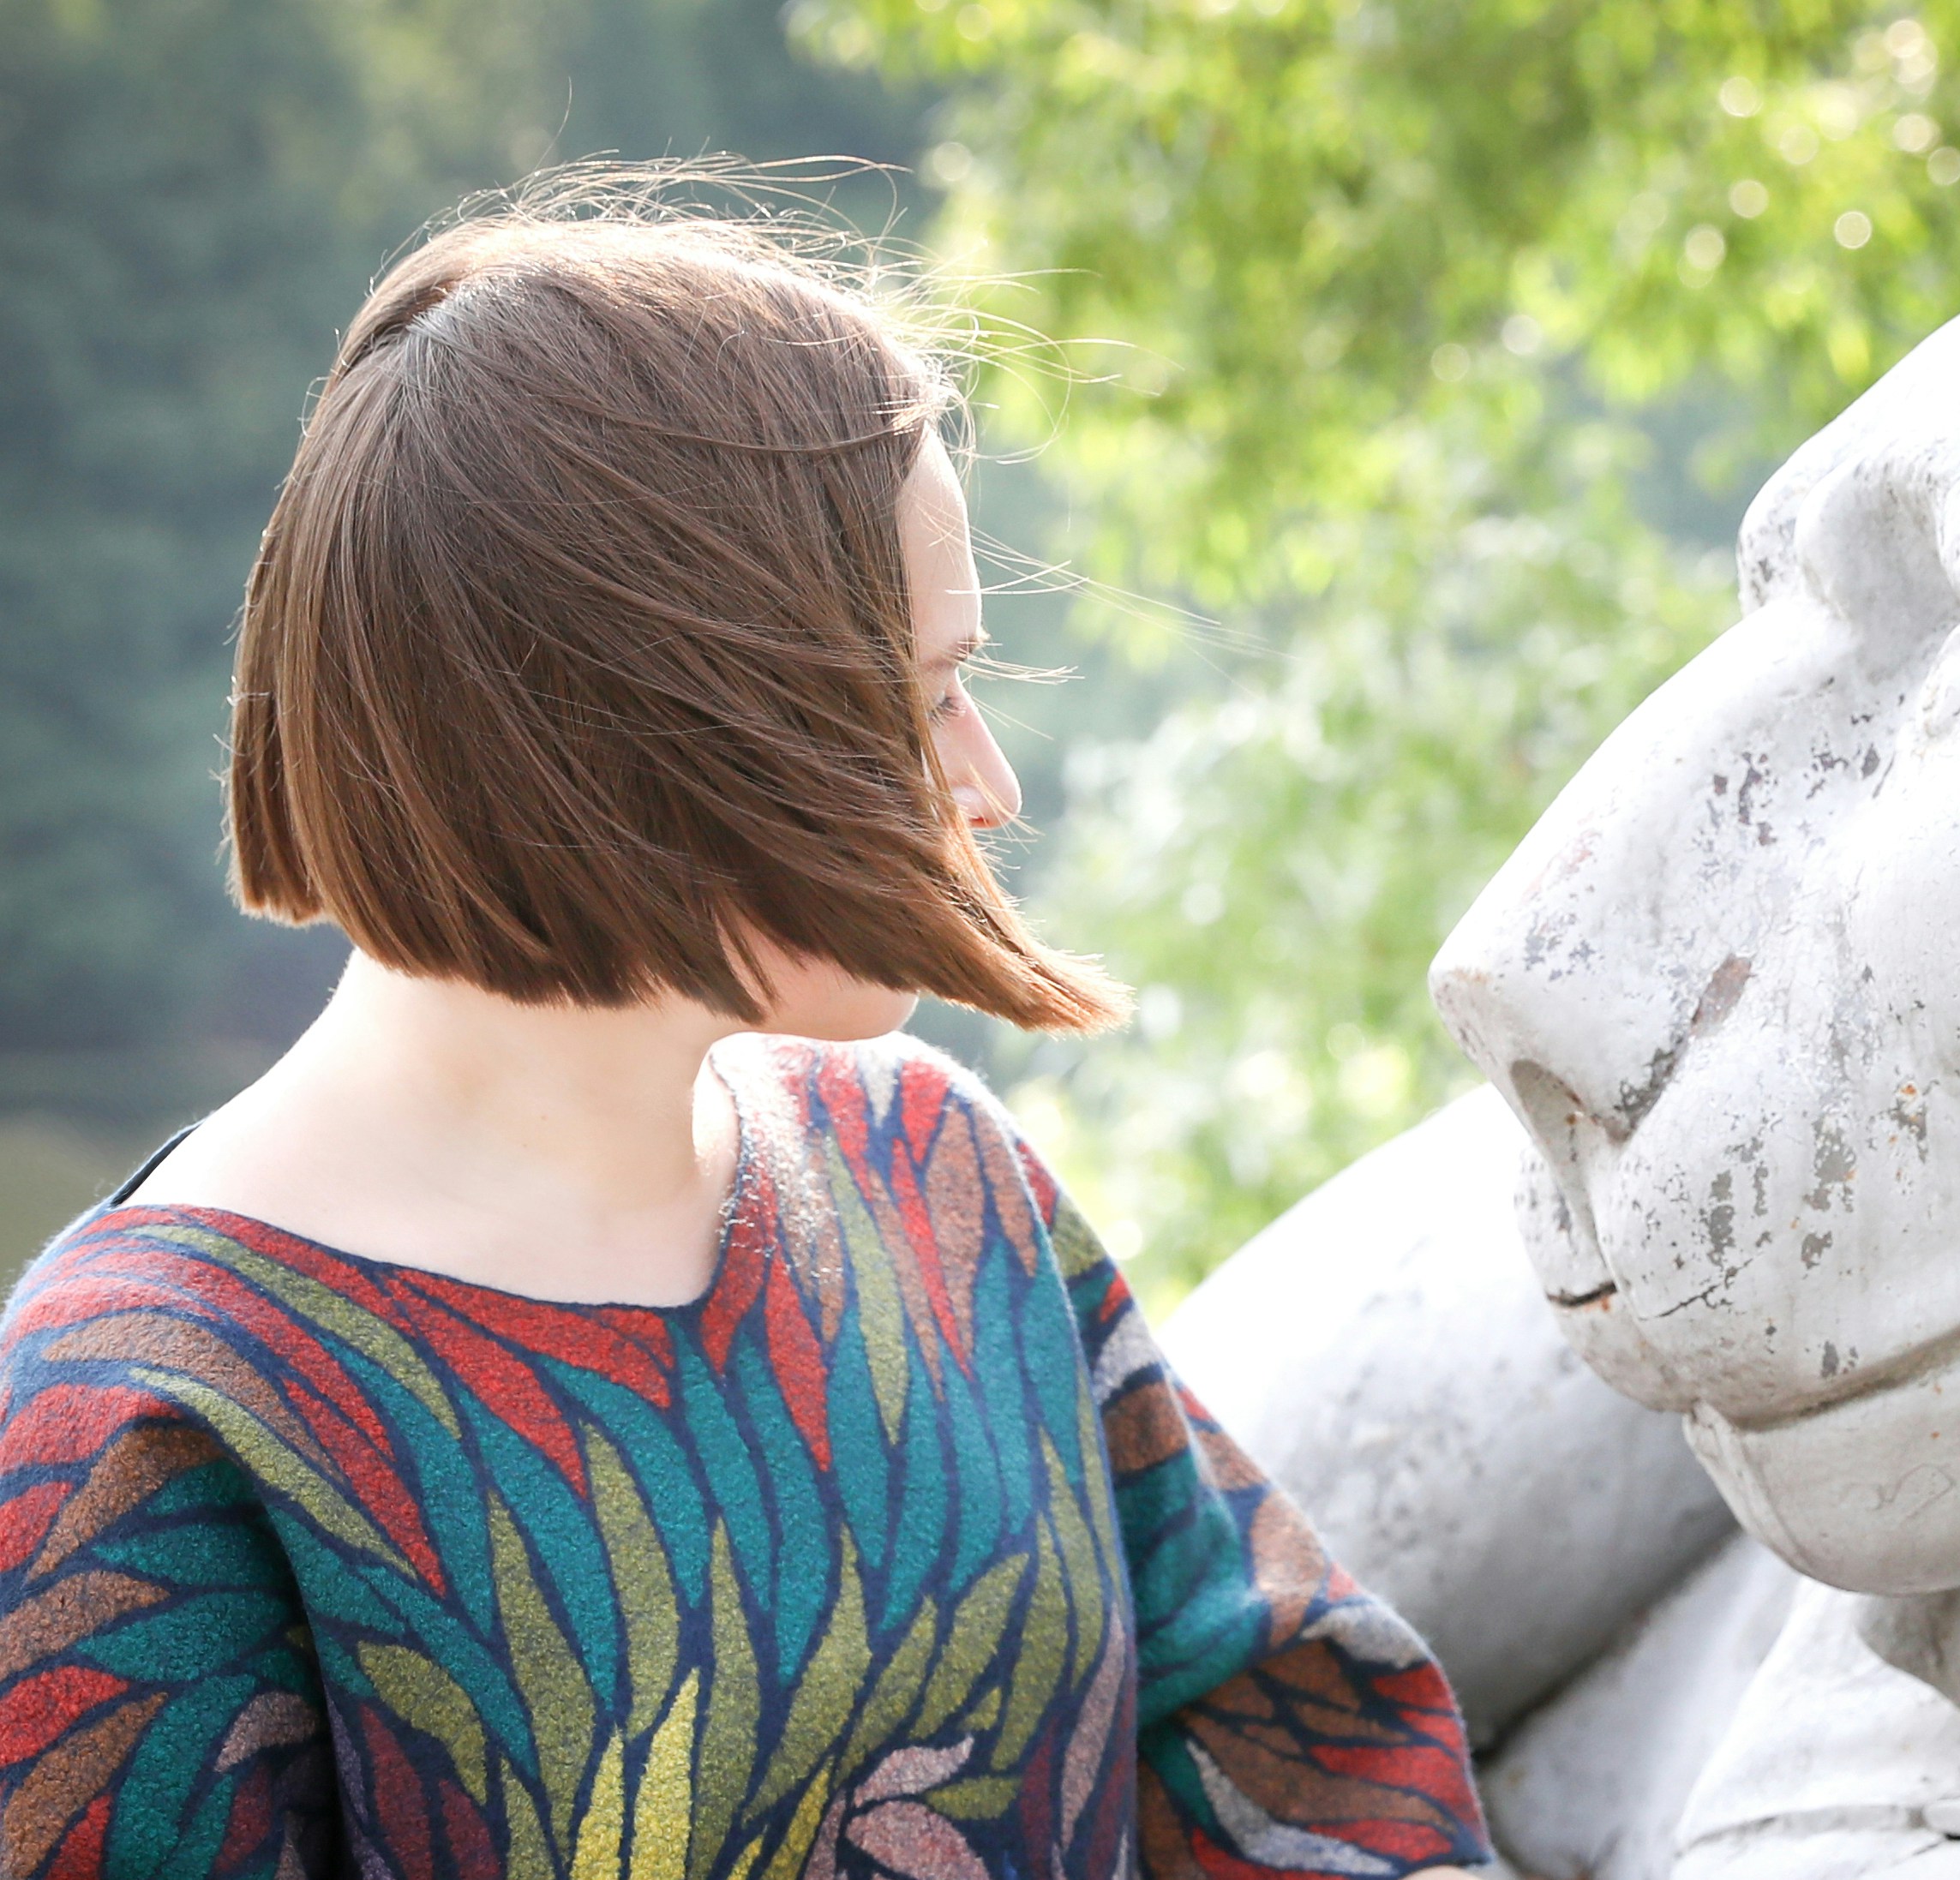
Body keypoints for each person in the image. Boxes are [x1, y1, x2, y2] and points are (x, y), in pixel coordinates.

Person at [0, 188, 1491, 1880]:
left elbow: (1297, 1746)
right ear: (647, 723)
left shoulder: (935, 1172)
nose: (985, 786)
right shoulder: (135, 1424)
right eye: (917, 699)